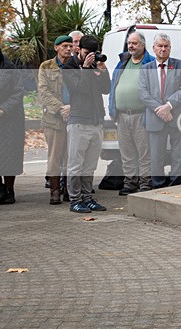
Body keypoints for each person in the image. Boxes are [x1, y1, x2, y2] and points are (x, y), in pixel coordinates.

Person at [62, 34, 110, 213]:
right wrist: (85, 68)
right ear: (78, 49)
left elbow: (106, 89)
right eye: (87, 52)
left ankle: (87, 197)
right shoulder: (69, 67)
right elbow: (80, 89)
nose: (90, 56)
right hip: (78, 121)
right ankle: (75, 200)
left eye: (93, 53)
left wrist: (103, 71)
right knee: (76, 164)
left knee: (90, 165)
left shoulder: (95, 65)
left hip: (96, 121)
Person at [138, 33, 181, 188]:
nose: (163, 49)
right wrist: (159, 110)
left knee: (178, 154)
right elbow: (143, 93)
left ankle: (175, 184)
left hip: (177, 116)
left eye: (166, 46)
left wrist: (169, 106)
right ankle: (158, 186)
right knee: (156, 157)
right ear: (154, 48)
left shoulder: (180, 65)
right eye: (160, 46)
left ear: (170, 48)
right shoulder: (145, 68)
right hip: (155, 118)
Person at [109, 28, 155, 195]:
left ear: (143, 45)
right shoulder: (123, 62)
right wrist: (112, 109)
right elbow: (114, 85)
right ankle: (130, 183)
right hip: (122, 115)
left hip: (141, 115)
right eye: (129, 43)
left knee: (144, 152)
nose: (131, 46)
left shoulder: (150, 63)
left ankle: (145, 183)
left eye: (134, 43)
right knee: (127, 152)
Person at [38, 35, 74, 205]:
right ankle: (54, 191)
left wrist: (72, 108)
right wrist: (61, 109)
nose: (68, 49)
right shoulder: (46, 66)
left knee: (70, 156)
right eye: (65, 46)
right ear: (56, 47)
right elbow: (44, 92)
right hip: (53, 119)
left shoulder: (75, 66)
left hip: (73, 116)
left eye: (70, 46)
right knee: (54, 156)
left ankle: (67, 190)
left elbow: (82, 90)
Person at [0, 36, 25, 205]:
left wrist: (2, 110)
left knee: (10, 156)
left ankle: (10, 189)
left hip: (10, 119)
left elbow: (18, 92)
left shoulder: (10, 68)